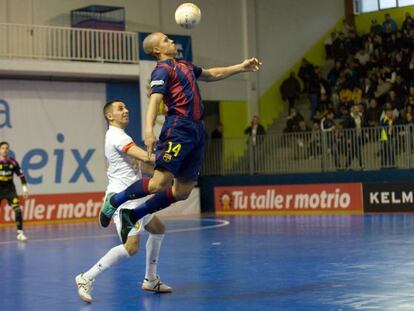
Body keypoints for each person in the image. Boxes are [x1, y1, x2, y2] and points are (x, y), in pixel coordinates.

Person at [99, 32, 261, 231]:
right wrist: (148, 130)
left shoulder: (185, 65)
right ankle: (115, 200)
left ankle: (133, 214)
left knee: (183, 191)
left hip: (198, 131)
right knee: (159, 184)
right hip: (179, 128)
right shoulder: (162, 71)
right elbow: (155, 101)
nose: (172, 41)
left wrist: (241, 67)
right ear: (157, 50)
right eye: (166, 40)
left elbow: (211, 74)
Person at [75, 100, 172, 304]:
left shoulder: (122, 136)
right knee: (131, 247)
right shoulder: (116, 136)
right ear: (110, 116)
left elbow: (141, 165)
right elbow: (143, 156)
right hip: (123, 200)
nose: (126, 110)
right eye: (120, 109)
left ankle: (151, 279)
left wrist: (160, 170)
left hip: (135, 197)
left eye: (126, 107)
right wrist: (167, 157)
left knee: (158, 228)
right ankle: (86, 278)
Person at [0, 141, 28, 241]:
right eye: (2, 148)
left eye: (6, 148)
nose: (5, 150)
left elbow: (21, 176)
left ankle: (20, 233)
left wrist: (25, 190)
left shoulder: (13, 162)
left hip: (10, 190)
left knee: (18, 210)